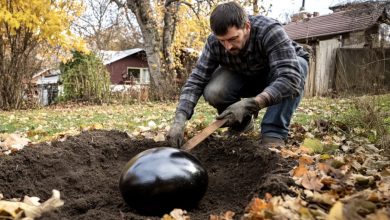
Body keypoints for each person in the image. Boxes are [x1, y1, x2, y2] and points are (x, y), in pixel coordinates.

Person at [167, 1, 309, 148]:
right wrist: (180, 119)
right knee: (215, 90)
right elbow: (196, 80)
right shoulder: (214, 42)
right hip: (244, 74)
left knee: (299, 66)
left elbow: (289, 78)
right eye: (222, 41)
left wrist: (252, 104)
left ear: (247, 27)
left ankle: (274, 132)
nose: (227, 47)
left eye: (233, 39)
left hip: (276, 74)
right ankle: (242, 125)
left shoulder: (269, 31)